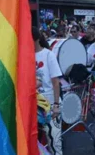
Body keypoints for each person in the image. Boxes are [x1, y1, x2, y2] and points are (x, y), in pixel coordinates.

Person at [33, 27, 62, 155]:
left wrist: (56, 105)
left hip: (49, 103)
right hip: (33, 103)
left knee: (54, 141)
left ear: (37, 39)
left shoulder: (48, 55)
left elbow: (56, 82)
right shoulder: (24, 55)